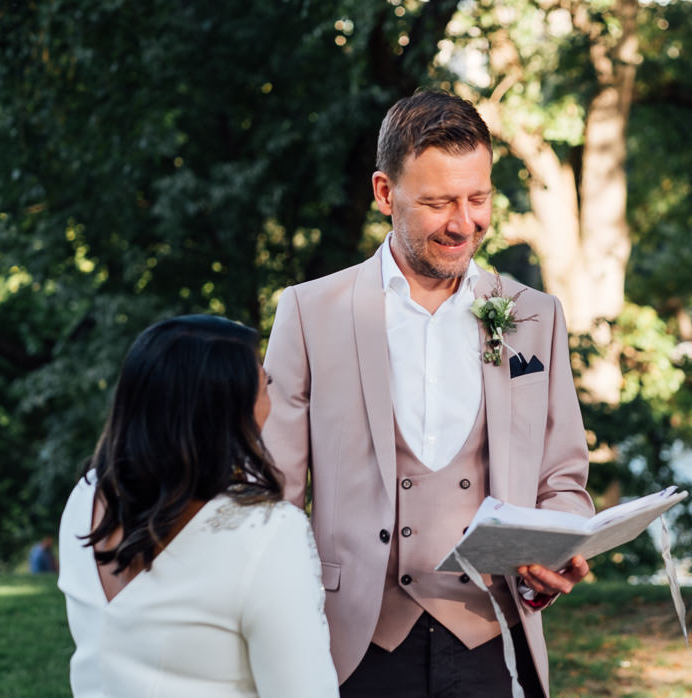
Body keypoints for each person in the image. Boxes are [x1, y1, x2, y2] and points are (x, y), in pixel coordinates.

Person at [263, 90, 594, 697]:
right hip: (355, 643)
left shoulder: (534, 314)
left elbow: (564, 480)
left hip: (493, 637)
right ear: (386, 193)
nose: (464, 223)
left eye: (478, 199)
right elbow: (275, 495)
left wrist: (556, 542)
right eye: (438, 202)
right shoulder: (310, 312)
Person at [57, 315, 339, 698]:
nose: (270, 402)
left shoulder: (85, 498)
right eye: (264, 386)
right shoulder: (267, 531)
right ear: (227, 412)